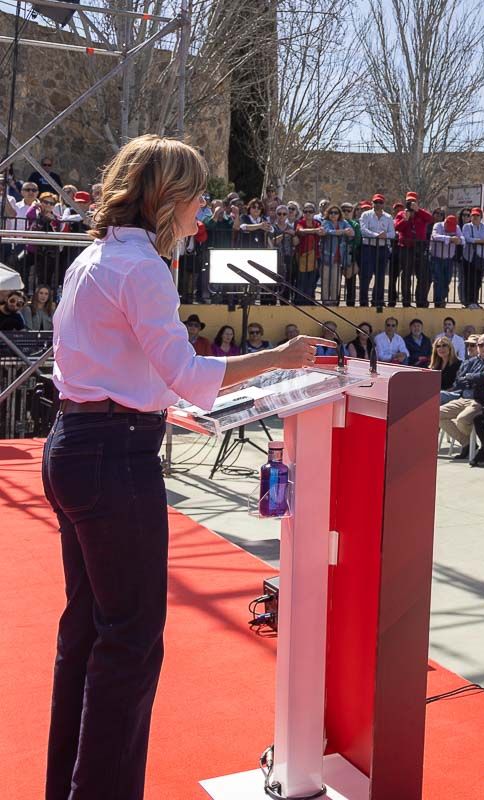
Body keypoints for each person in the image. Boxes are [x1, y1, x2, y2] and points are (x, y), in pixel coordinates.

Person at [43, 135, 327, 800]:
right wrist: (279, 356)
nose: (204, 211)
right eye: (199, 196)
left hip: (77, 444)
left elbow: (142, 373)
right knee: (132, 641)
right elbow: (186, 373)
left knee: (86, 633)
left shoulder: (94, 257)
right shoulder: (141, 268)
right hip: (115, 457)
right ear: (166, 199)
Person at [438, 333, 484, 455]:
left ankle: (478, 445)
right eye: (481, 345)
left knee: (462, 420)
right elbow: (458, 380)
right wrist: (473, 379)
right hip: (463, 398)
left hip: (479, 400)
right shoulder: (473, 361)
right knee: (436, 414)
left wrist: (470, 378)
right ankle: (467, 443)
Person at [431, 334, 461, 402]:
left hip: (452, 394)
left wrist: (443, 392)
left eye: (444, 345)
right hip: (437, 395)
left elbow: (457, 385)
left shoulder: (459, 364)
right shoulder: (435, 365)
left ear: (450, 347)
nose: (441, 348)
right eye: (438, 346)